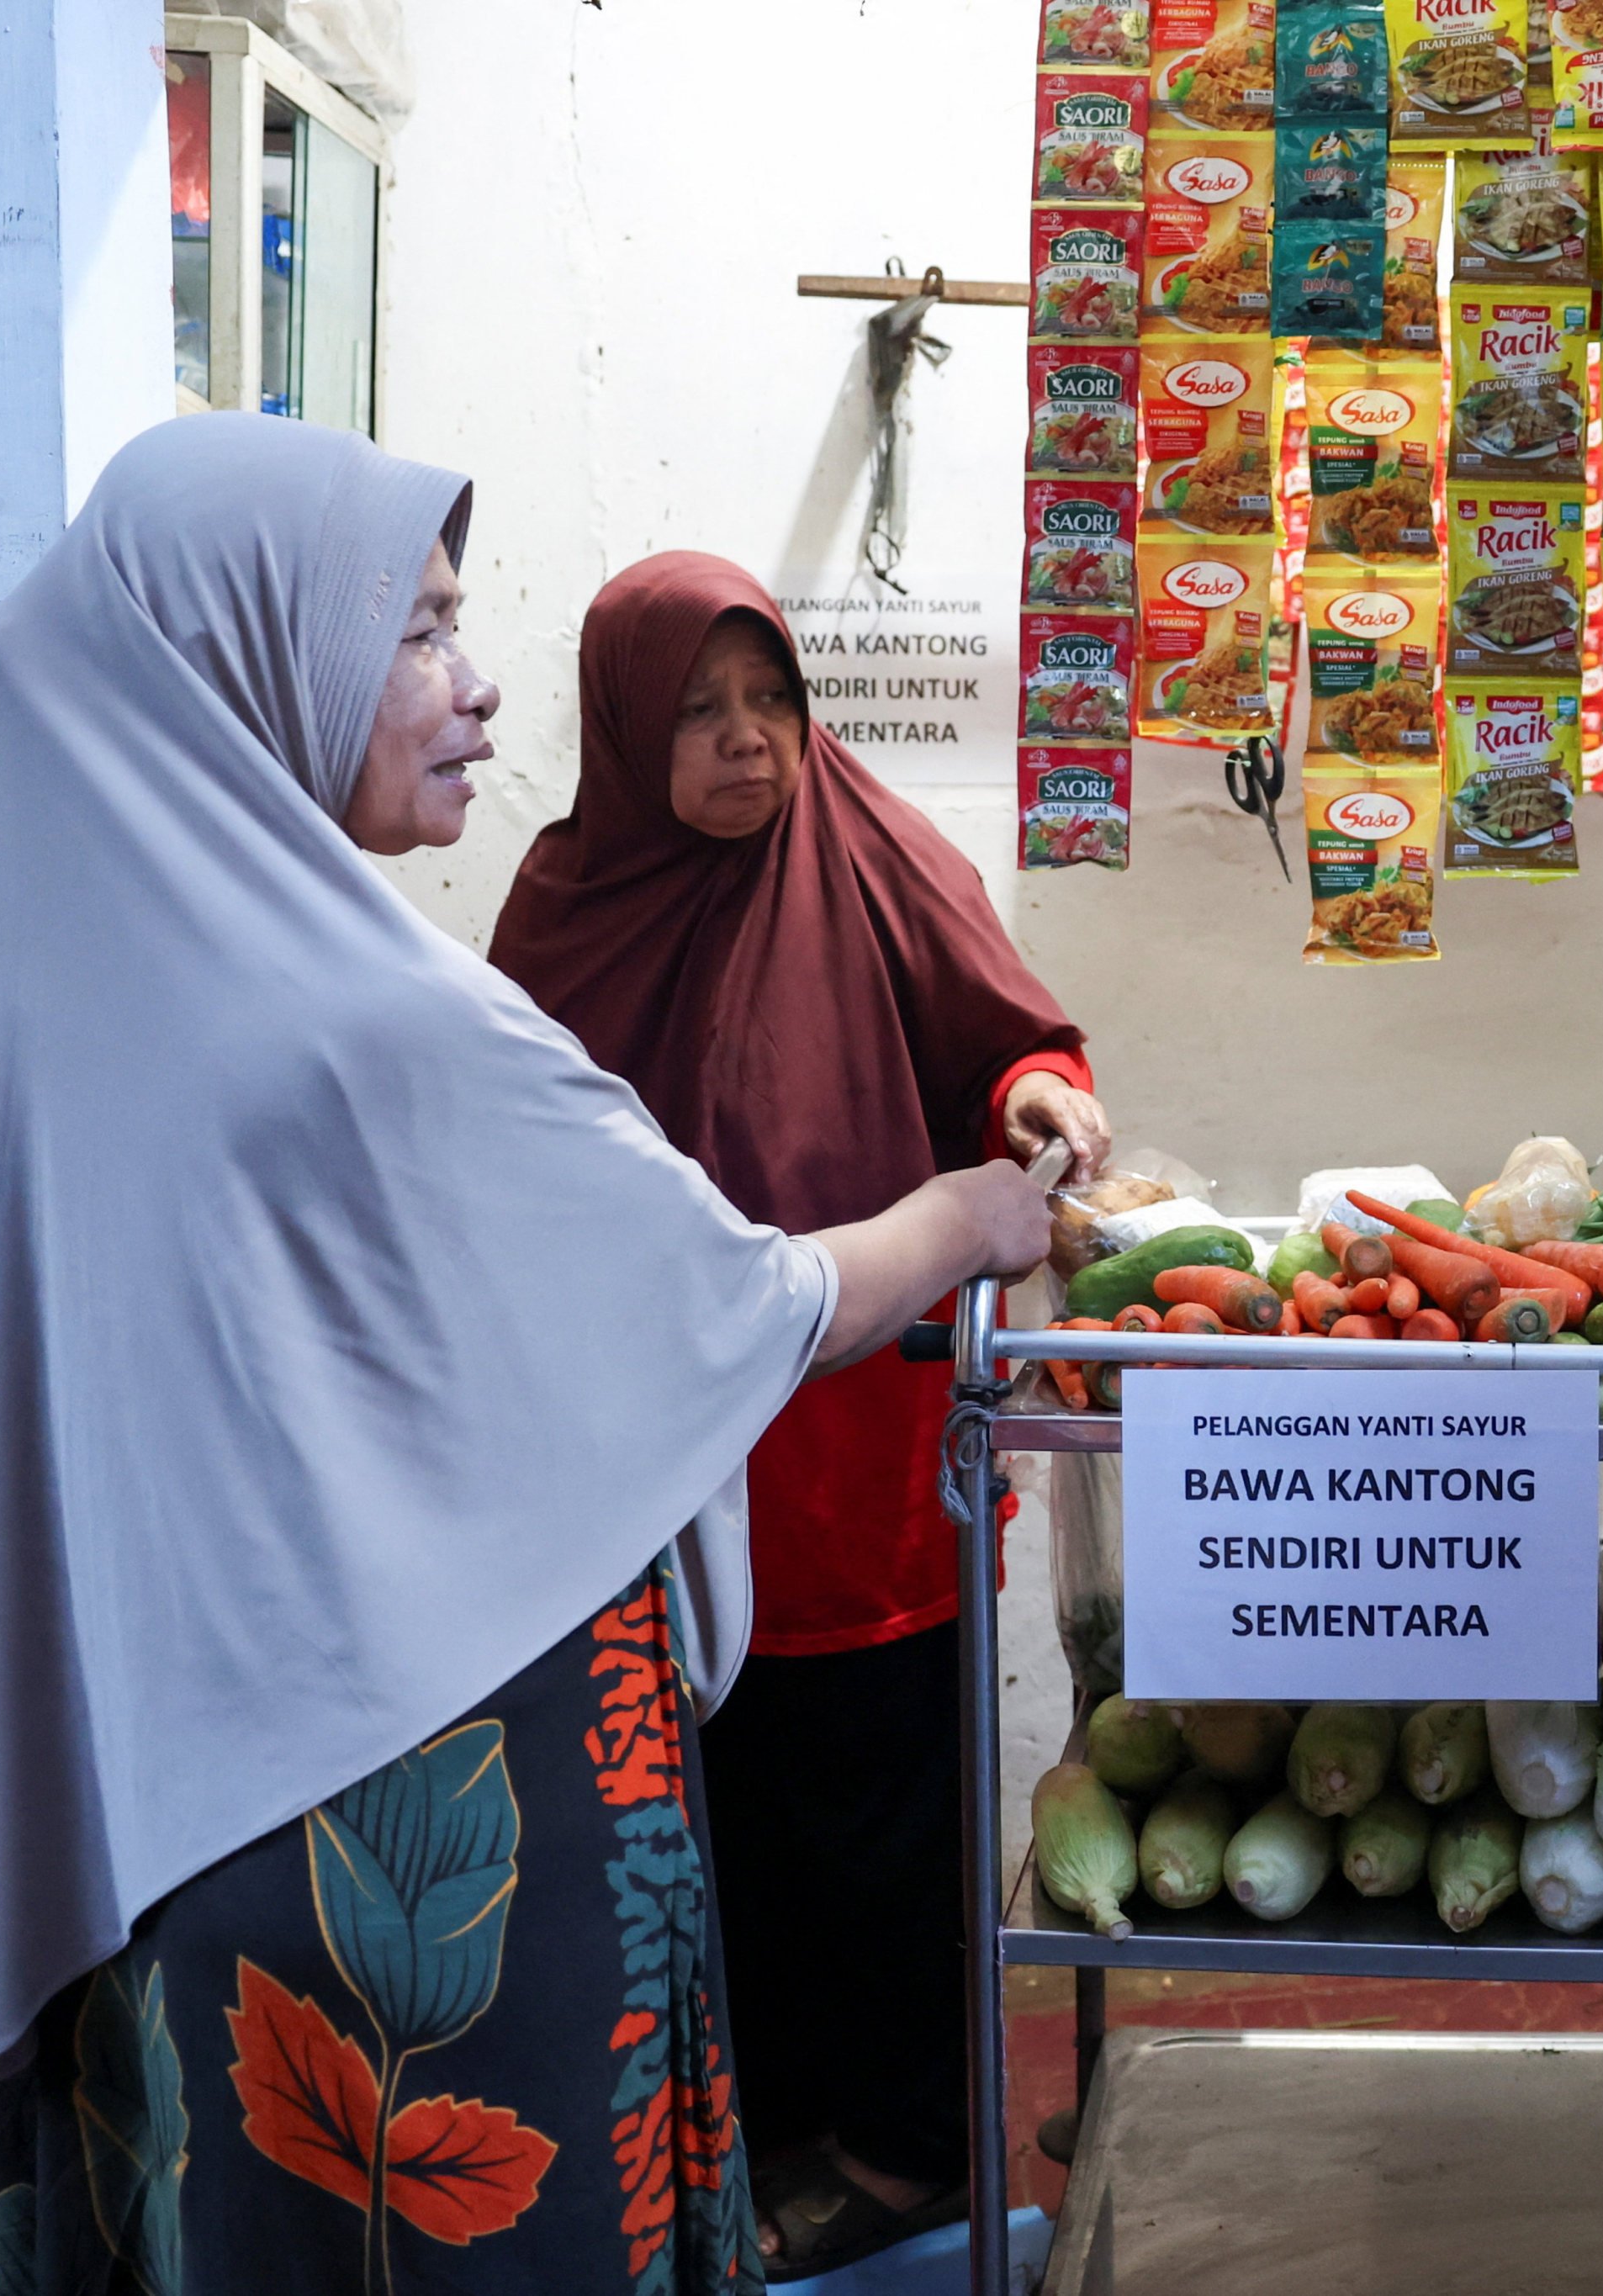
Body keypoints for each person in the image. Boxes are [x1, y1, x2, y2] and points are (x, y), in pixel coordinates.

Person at [0, 417, 1049, 2294]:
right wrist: (965, 1223)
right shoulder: (386, 1018)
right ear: (252, 647)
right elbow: (730, 1301)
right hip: (425, 1846)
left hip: (189, 1797)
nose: (476, 690)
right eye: (422, 634)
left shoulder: (100, 977)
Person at [489, 553, 1107, 2276]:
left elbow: (1008, 1042)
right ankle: (749, 2139)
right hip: (657, 1455)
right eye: (697, 712)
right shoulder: (562, 904)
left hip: (857, 1454)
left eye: (768, 701)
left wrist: (1040, 1088)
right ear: (624, 731)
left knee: (884, 1809)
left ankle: (909, 2154)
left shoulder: (874, 850)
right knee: (714, 1815)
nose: (747, 743)